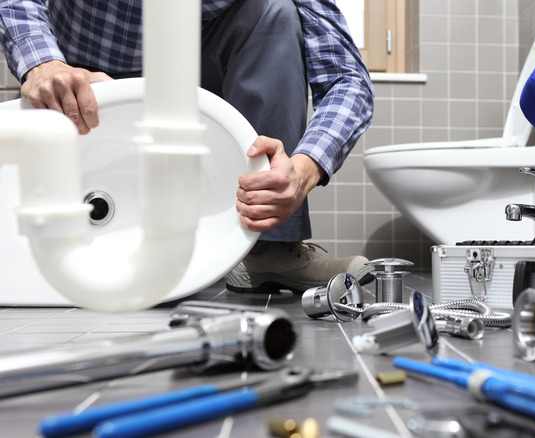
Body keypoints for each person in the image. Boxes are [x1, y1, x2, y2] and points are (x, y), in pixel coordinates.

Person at [0, 0, 375, 294]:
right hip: (78, 70)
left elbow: (346, 78)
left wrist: (303, 170)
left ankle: (266, 249)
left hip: (192, 77)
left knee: (275, 11)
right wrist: (42, 63)